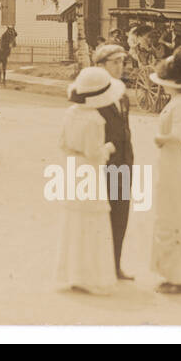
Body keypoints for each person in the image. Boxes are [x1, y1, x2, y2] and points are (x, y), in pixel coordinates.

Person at [54, 66, 121, 295]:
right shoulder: (95, 119)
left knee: (74, 221)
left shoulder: (70, 113)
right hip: (90, 170)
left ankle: (73, 274)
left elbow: (62, 143)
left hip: (73, 169)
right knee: (92, 223)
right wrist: (108, 148)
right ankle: (91, 276)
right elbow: (94, 152)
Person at [149, 50, 181, 294]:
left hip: (175, 160)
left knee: (176, 215)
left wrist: (161, 138)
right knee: (170, 213)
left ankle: (180, 277)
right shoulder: (180, 102)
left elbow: (178, 135)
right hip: (172, 160)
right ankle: (172, 273)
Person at [92, 42, 134, 280]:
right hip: (103, 164)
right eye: (114, 62)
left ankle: (115, 265)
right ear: (100, 66)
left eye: (122, 62)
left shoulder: (122, 94)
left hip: (124, 164)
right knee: (101, 216)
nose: (120, 67)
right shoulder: (94, 96)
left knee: (121, 214)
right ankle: (99, 266)